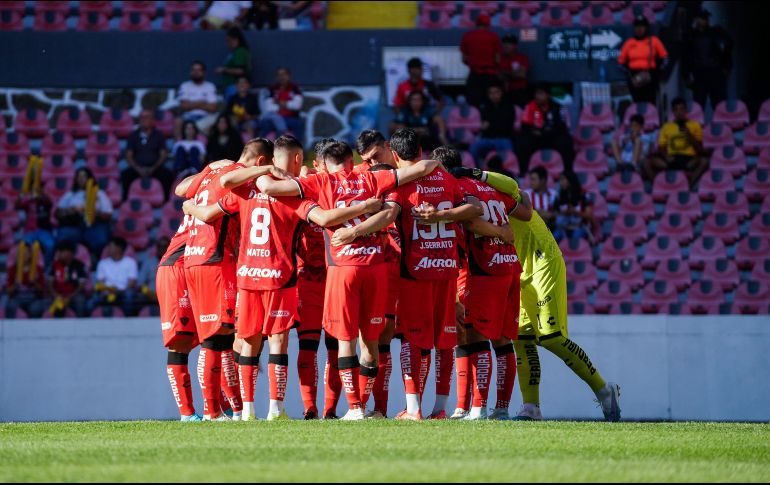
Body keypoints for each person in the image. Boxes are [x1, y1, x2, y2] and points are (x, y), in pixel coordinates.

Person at [185, 136, 384, 420]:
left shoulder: (246, 189)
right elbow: (325, 219)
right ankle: (287, 410)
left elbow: (211, 199)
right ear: (298, 160)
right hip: (288, 276)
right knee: (306, 343)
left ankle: (246, 411)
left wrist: (188, 208)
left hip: (249, 276)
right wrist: (364, 209)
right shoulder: (295, 196)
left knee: (247, 342)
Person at [256, 139, 442, 420]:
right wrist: (438, 163)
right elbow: (422, 168)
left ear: (326, 164)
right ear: (350, 158)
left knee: (344, 341)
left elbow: (270, 189)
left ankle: (354, 407)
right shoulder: (374, 177)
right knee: (371, 341)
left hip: (342, 270)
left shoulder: (320, 183)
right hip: (377, 268)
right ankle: (367, 408)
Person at [330, 130, 483, 421]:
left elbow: (388, 216)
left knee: (414, 341)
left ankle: (413, 410)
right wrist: (442, 217)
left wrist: (353, 232)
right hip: (447, 269)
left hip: (416, 272)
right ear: (421, 150)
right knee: (446, 339)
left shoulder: (403, 185)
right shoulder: (445, 177)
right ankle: (440, 408)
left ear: (395, 156)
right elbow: (474, 207)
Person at [451, 166, 621, 422]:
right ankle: (532, 406)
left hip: (543, 263)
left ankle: (604, 389)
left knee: (551, 337)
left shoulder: (504, 192)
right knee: (521, 337)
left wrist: (478, 173)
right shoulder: (477, 199)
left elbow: (512, 184)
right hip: (516, 268)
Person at [429, 145, 521, 420]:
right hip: (508, 266)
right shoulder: (491, 187)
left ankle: (477, 407)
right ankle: (494, 407)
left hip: (483, 269)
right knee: (502, 340)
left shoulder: (455, 187)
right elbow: (525, 209)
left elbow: (472, 221)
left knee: (472, 335)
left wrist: (500, 233)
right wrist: (505, 234)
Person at [155, 160, 236, 422]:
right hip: (177, 269)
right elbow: (182, 189)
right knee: (182, 343)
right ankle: (189, 413)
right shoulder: (213, 197)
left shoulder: (209, 197)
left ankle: (220, 408)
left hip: (194, 267)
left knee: (216, 339)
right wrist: (211, 170)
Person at [180, 157, 246, 421]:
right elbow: (203, 209)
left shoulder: (209, 182)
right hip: (215, 262)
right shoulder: (236, 185)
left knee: (220, 338)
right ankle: (216, 411)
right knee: (218, 339)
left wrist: (207, 170)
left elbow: (181, 189)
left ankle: (225, 410)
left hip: (196, 260)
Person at [645, 97, 707, 186]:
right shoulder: (667, 126)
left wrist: (690, 137)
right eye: (676, 110)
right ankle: (657, 186)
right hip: (672, 158)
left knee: (704, 161)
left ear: (686, 110)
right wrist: (666, 157)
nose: (679, 112)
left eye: (682, 109)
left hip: (689, 159)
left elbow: (700, 149)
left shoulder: (695, 125)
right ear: (673, 112)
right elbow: (661, 147)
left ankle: (688, 185)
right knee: (646, 162)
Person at [55, 167, 112, 259]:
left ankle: (96, 259)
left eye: (84, 176)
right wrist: (71, 210)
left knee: (101, 240)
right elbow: (57, 213)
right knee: (63, 237)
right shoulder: (70, 194)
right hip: (75, 224)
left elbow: (108, 215)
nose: (81, 179)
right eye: (79, 177)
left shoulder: (99, 194)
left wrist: (91, 211)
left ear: (90, 178)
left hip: (94, 224)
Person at [682, 9, 733, 110]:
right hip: (699, 74)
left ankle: (721, 125)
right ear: (696, 20)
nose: (704, 21)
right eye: (701, 18)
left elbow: (729, 45)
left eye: (706, 18)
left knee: (720, 105)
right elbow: (685, 56)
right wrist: (686, 75)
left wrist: (726, 68)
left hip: (716, 72)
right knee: (698, 105)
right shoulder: (690, 36)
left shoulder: (716, 32)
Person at [517, 85, 575, 174]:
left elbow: (562, 126)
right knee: (523, 142)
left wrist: (547, 132)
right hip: (536, 137)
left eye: (540, 94)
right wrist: (534, 131)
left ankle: (568, 171)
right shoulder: (530, 106)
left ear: (548, 95)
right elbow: (525, 125)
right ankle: (523, 172)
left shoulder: (558, 107)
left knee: (566, 141)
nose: (537, 96)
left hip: (552, 136)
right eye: (536, 93)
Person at [122, 110, 172, 202]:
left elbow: (163, 154)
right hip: (137, 168)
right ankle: (125, 202)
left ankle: (166, 202)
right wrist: (138, 168)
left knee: (167, 175)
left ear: (152, 120)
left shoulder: (159, 135)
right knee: (125, 175)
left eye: (146, 117)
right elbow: (129, 155)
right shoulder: (133, 135)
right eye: (141, 118)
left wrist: (153, 168)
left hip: (155, 168)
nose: (143, 120)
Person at [618, 15, 669, 104]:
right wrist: (628, 74)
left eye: (642, 26)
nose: (639, 29)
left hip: (650, 76)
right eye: (637, 26)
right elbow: (620, 62)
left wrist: (660, 70)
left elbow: (665, 57)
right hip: (634, 77)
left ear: (646, 28)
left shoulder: (654, 41)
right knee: (636, 103)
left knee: (651, 103)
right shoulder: (629, 43)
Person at [460, 13, 502, 107]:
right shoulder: (493, 36)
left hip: (474, 75)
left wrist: (474, 63)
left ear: (476, 24)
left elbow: (464, 59)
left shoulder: (467, 36)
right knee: (492, 104)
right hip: (490, 75)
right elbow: (498, 59)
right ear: (488, 25)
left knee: (473, 105)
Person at [469, 83, 515, 165]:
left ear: (501, 93)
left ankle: (507, 173)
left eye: (496, 92)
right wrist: (495, 123)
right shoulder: (484, 106)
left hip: (503, 138)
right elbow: (483, 125)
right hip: (487, 138)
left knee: (508, 149)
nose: (493, 95)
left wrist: (491, 124)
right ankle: (477, 171)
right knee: (474, 147)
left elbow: (507, 126)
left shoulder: (509, 106)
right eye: (491, 93)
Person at [93, 237, 138, 316]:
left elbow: (132, 283)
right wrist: (107, 290)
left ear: (119, 248)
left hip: (123, 292)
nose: (107, 249)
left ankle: (129, 321)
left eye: (110, 246)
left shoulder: (130, 262)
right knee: (92, 301)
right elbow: (100, 282)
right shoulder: (102, 263)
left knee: (129, 296)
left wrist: (119, 291)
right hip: (106, 292)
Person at [260, 67, 305, 144]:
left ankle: (298, 148)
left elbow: (297, 105)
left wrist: (278, 102)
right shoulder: (272, 89)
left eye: (284, 74)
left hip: (291, 118)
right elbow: (269, 107)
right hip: (273, 118)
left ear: (289, 76)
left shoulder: (295, 88)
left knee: (300, 123)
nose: (282, 77)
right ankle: (261, 148)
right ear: (276, 77)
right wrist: (288, 104)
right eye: (279, 75)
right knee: (264, 123)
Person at [176, 61, 219, 136]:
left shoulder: (210, 86)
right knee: (177, 121)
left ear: (204, 72)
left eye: (199, 70)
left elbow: (213, 107)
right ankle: (179, 145)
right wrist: (202, 103)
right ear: (191, 72)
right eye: (194, 70)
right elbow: (184, 106)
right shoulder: (185, 85)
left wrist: (191, 104)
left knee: (218, 119)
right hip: (188, 116)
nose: (196, 72)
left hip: (205, 117)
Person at [46, 241, 88, 318]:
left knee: (80, 301)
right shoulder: (54, 265)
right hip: (57, 295)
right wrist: (55, 295)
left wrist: (70, 297)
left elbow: (81, 285)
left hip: (73, 296)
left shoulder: (79, 266)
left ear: (70, 253)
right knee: (38, 307)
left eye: (61, 252)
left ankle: (81, 325)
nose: (58, 254)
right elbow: (49, 283)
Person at [4, 242, 46, 318]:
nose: (25, 255)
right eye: (22, 253)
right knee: (10, 306)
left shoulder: (38, 269)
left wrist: (34, 282)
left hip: (33, 297)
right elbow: (8, 291)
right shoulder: (13, 269)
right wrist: (16, 284)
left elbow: (42, 289)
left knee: (36, 308)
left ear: (31, 255)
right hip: (18, 297)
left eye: (27, 253)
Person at [552, 172, 596, 243]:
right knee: (553, 237)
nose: (560, 183)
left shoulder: (584, 195)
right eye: (560, 180)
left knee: (575, 238)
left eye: (563, 180)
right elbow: (555, 213)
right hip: (563, 227)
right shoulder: (559, 196)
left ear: (570, 180)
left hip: (580, 227)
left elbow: (589, 216)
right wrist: (563, 213)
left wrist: (575, 212)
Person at [15, 190, 55, 264]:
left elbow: (49, 202)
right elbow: (17, 206)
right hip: (30, 231)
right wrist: (23, 195)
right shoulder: (29, 202)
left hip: (44, 231)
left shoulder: (45, 201)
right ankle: (22, 269)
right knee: (22, 246)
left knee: (51, 246)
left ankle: (46, 267)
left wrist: (41, 195)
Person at [216, 27, 252, 100]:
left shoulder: (240, 51)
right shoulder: (234, 52)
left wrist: (223, 70)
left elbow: (240, 70)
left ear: (236, 39)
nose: (227, 43)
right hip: (230, 87)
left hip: (236, 88)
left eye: (229, 41)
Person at [499, 35, 530, 107]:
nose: (506, 46)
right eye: (504, 43)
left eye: (509, 43)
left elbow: (522, 75)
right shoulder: (501, 59)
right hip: (505, 92)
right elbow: (499, 76)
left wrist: (506, 73)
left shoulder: (522, 58)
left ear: (515, 46)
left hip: (520, 92)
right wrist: (514, 74)